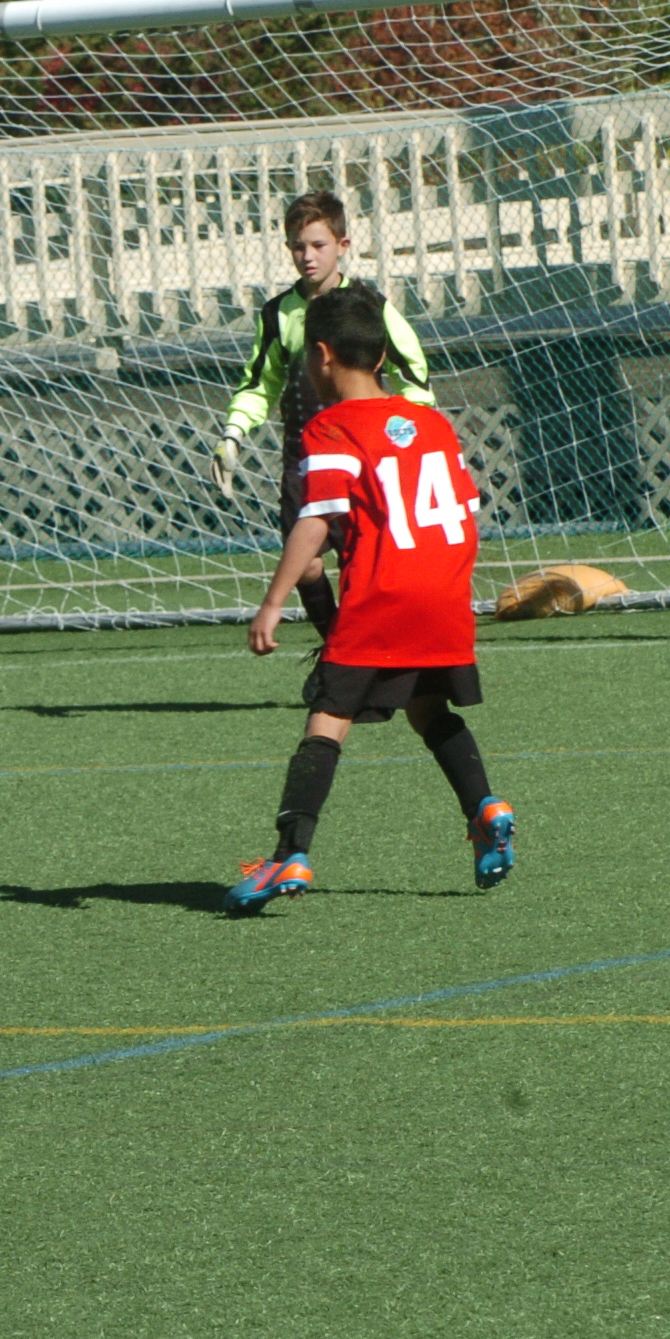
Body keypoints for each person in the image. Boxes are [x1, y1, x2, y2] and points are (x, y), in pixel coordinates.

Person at [225, 283, 513, 916]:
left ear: (321, 356)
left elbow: (316, 523)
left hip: (383, 595)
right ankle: (486, 808)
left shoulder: (330, 428)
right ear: (383, 356)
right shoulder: (433, 423)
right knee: (427, 707)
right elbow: (466, 515)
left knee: (326, 720)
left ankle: (289, 853)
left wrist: (272, 602)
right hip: (445, 595)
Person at [215, 190, 433, 646]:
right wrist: (234, 432)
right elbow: (261, 382)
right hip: (305, 454)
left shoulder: (369, 305)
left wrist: (406, 428)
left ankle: (362, 648)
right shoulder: (277, 313)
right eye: (298, 246)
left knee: (363, 558)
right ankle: (336, 643)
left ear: (342, 245)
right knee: (305, 562)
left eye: (318, 245)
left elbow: (413, 372)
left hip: (363, 453)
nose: (308, 256)